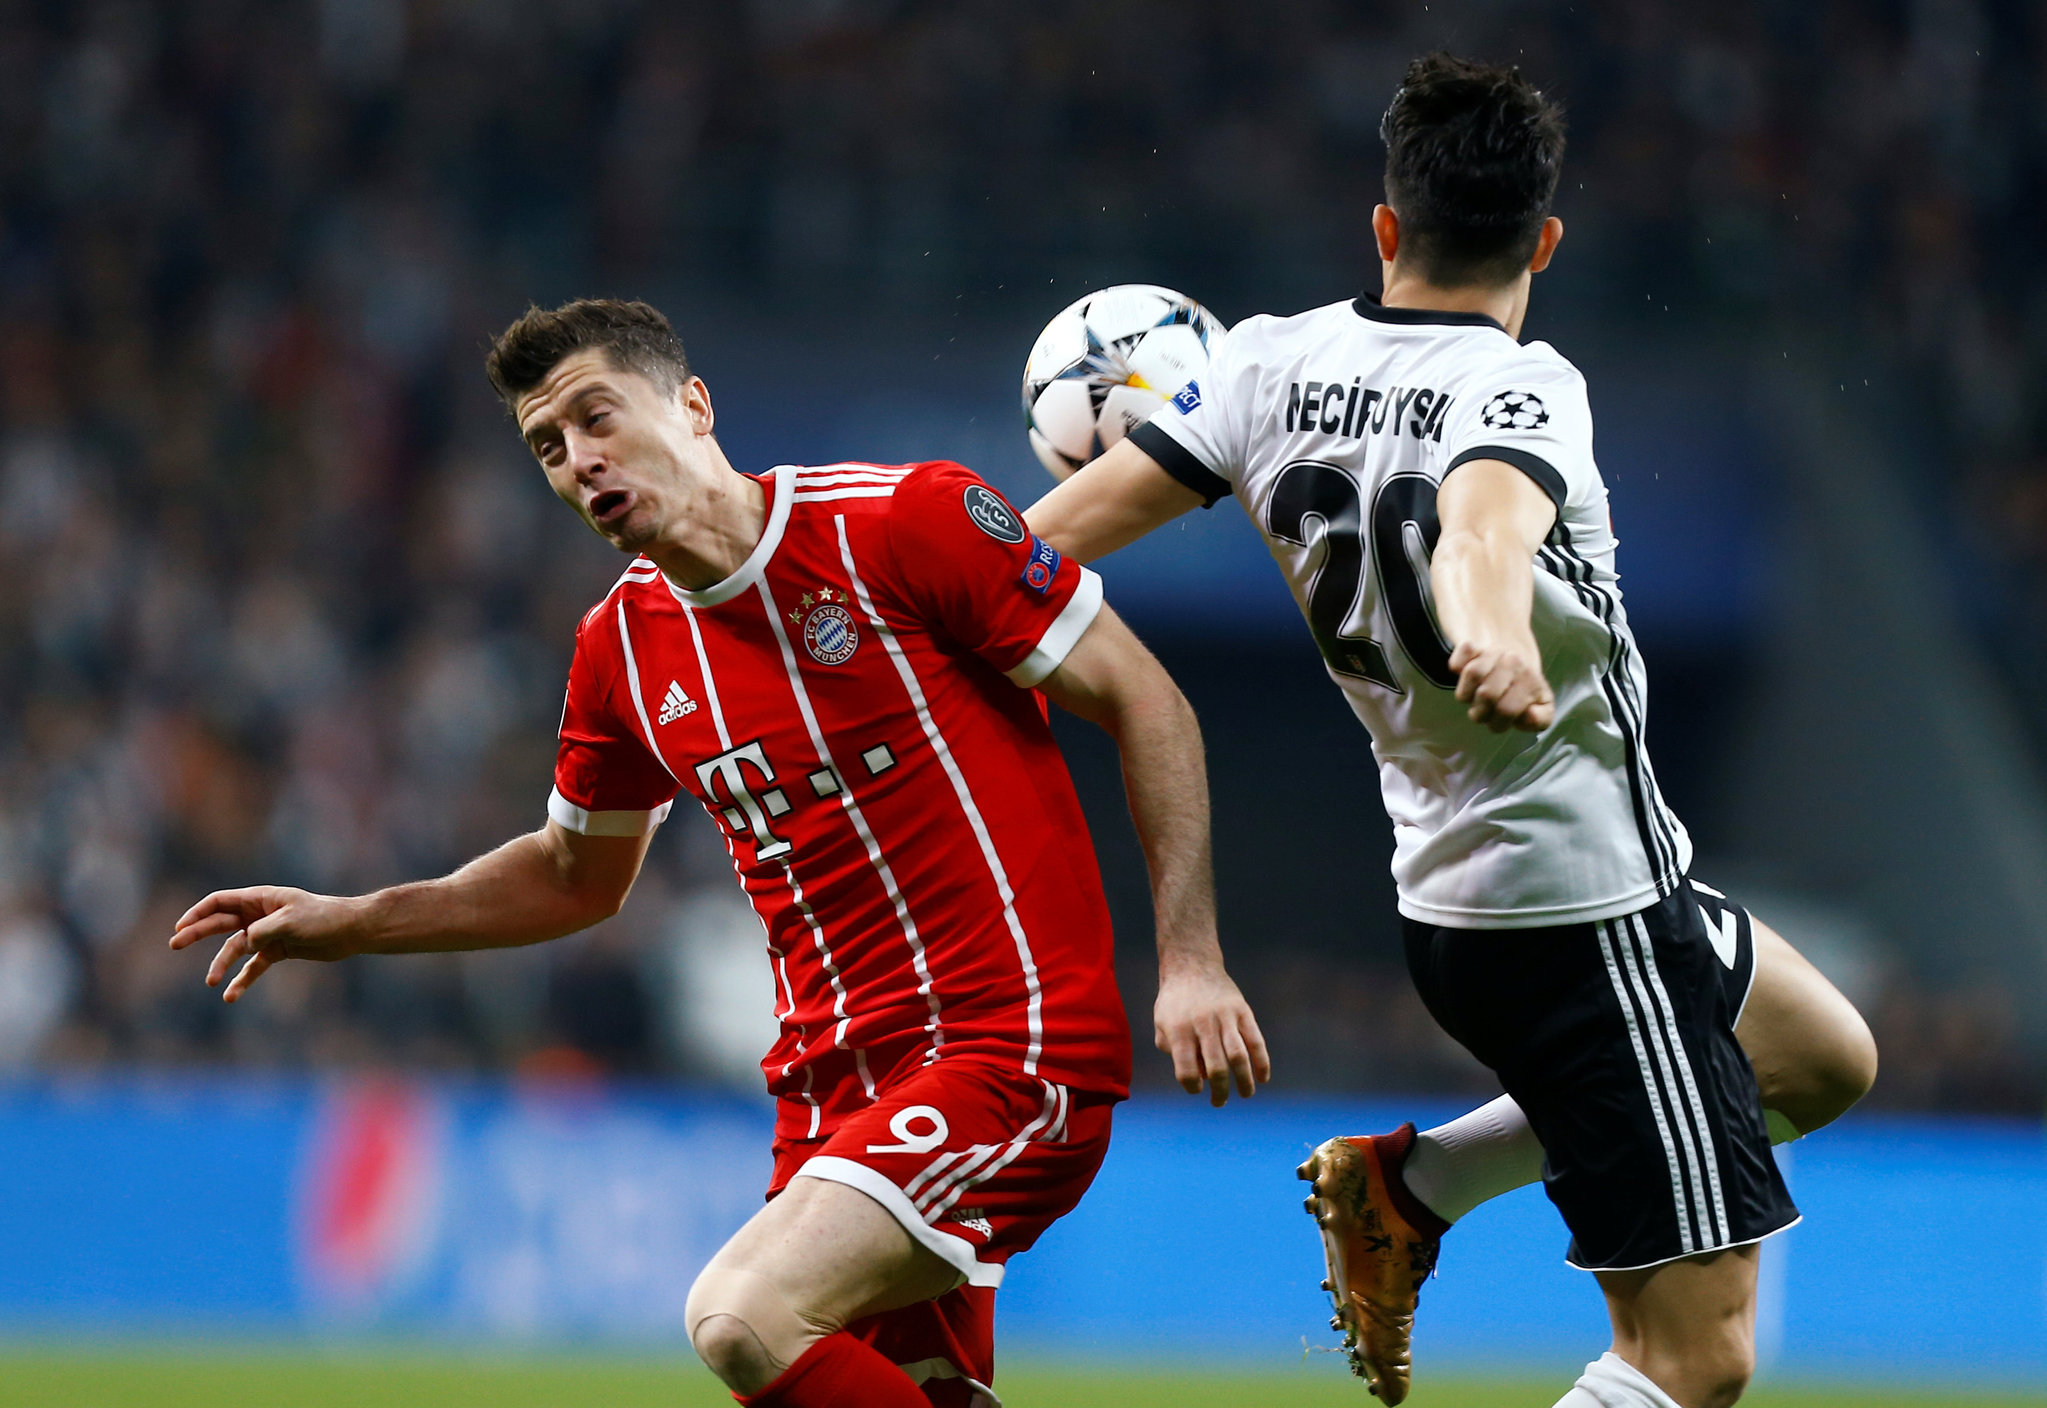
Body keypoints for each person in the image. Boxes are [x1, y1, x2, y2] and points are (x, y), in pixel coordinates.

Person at [170, 298, 1269, 1408]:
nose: (579, 460)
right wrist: (351, 921)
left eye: (597, 416)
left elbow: (1146, 700)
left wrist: (1190, 961)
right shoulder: (619, 650)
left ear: (693, 406)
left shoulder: (900, 522)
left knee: (743, 1315)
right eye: (547, 446)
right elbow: (573, 876)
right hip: (830, 1098)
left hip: (1009, 1045)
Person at [1025, 54, 1875, 1408]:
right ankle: (1414, 1194)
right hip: (1580, 911)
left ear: (1383, 224)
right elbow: (1481, 528)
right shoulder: (1523, 387)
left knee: (1822, 1057)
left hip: (1460, 903)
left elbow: (1038, 546)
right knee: (1693, 1362)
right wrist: (1487, 632)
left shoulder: (1260, 361)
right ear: (1543, 241)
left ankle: (1411, 1189)